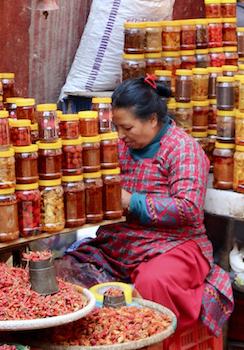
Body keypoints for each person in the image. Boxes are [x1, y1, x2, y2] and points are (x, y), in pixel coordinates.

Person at [60, 76, 232, 334]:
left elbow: (188, 208)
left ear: (152, 119)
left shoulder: (183, 149)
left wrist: (131, 201)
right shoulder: (116, 148)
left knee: (153, 282)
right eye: (117, 127)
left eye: (127, 128)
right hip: (118, 244)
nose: (120, 135)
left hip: (175, 245)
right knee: (63, 272)